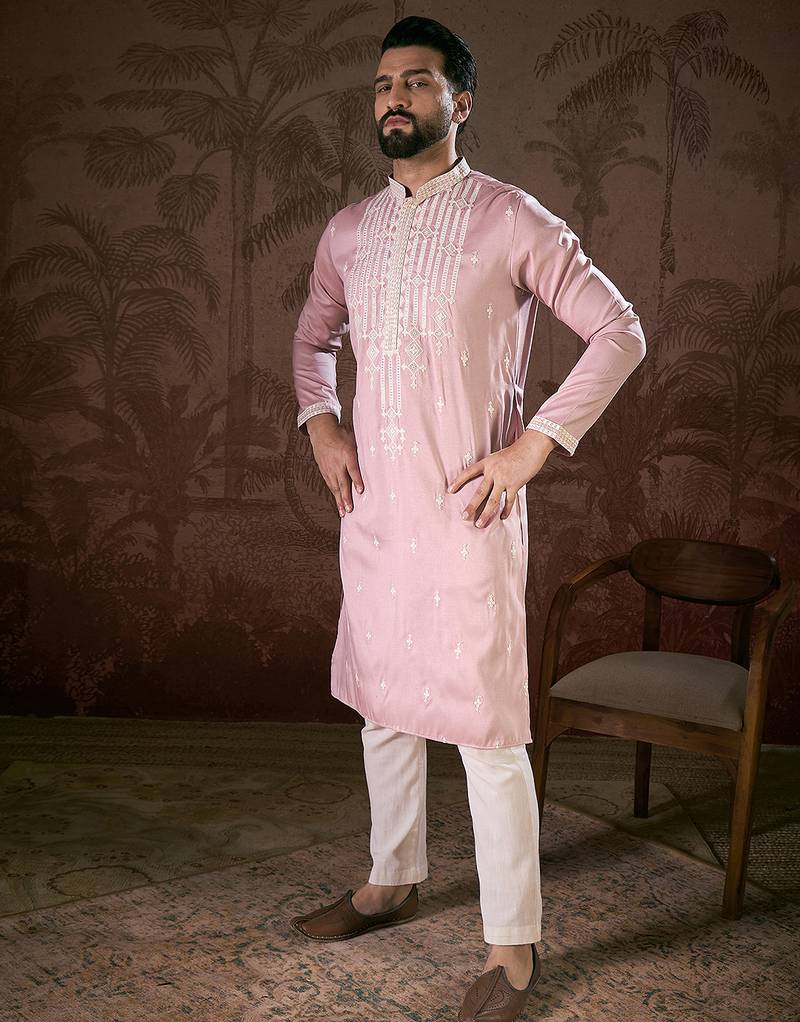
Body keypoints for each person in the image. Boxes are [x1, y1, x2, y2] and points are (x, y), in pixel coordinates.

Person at [289, 15, 646, 1021]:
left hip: (468, 516)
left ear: (462, 101)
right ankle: (389, 878)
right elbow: (312, 342)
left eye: (416, 81)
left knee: (486, 731)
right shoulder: (348, 232)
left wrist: (533, 447)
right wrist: (321, 422)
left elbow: (619, 330)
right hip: (375, 514)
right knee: (382, 705)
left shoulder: (509, 219)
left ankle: (511, 945)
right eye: (381, 85)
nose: (394, 98)